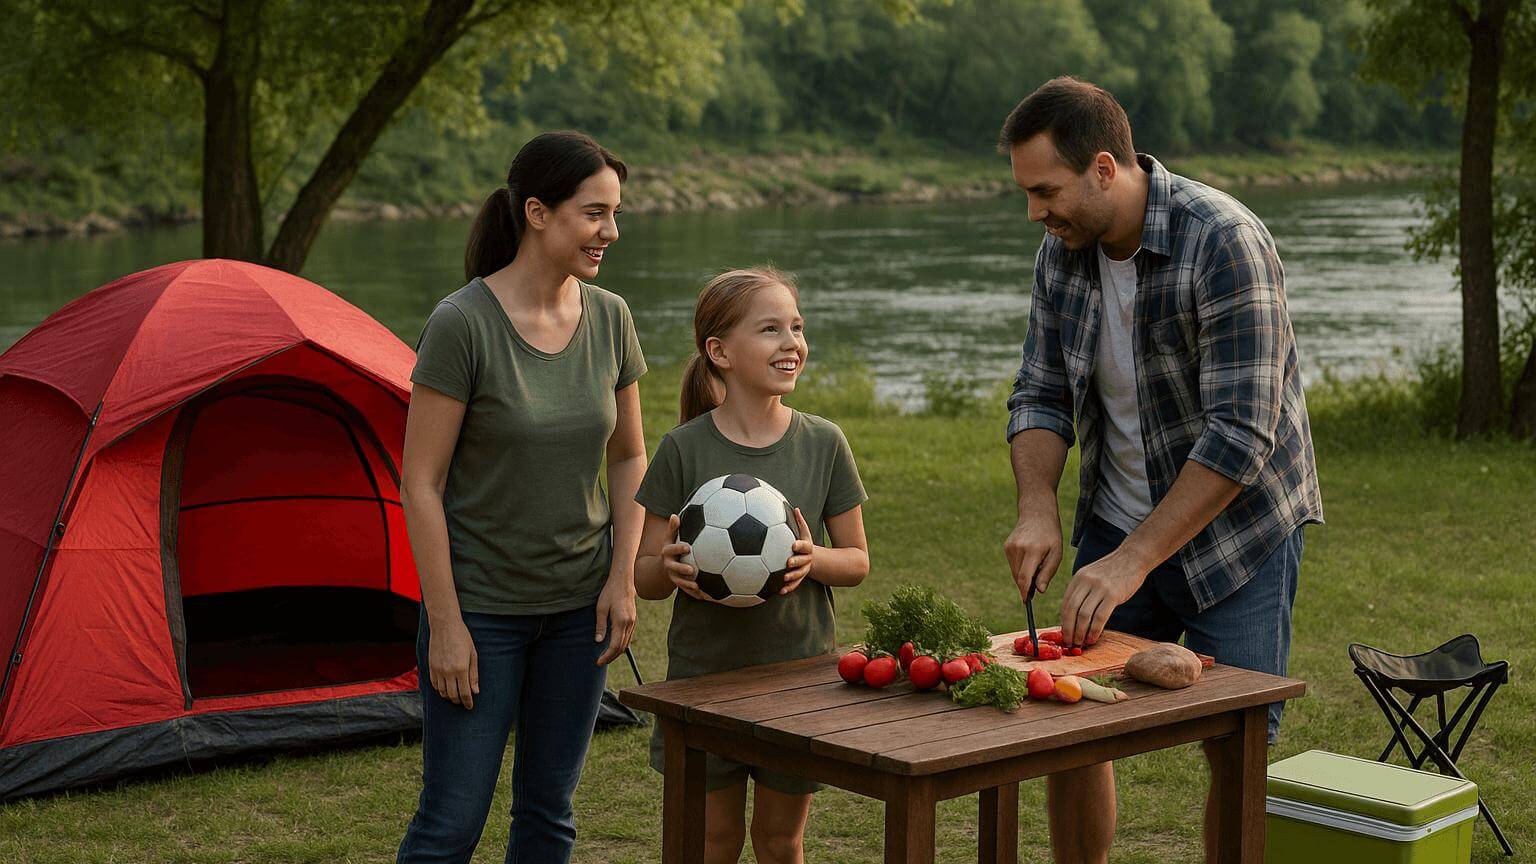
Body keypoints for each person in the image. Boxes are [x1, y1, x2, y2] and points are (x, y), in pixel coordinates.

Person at [998, 78, 1324, 864]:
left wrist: (1132, 562)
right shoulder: (1062, 251)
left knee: (1234, 746)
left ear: (1104, 168)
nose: (1035, 213)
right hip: (1116, 521)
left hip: (1237, 534)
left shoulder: (1224, 240)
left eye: (1046, 191)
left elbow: (1243, 433)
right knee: (1072, 726)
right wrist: (1037, 505)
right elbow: (1040, 390)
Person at [396, 131, 647, 864]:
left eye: (615, 213)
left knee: (548, 816)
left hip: (580, 614)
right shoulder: (461, 324)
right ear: (538, 212)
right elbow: (421, 482)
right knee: (451, 825)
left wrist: (621, 577)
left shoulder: (611, 318)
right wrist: (446, 623)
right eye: (594, 214)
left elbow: (630, 455)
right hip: (482, 616)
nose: (611, 232)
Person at [633, 267, 870, 864]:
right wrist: (669, 567)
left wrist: (812, 558)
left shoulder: (824, 443)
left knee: (779, 841)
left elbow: (857, 562)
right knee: (709, 841)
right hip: (705, 680)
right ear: (720, 352)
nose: (791, 342)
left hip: (799, 679)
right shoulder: (682, 448)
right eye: (770, 329)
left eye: (796, 327)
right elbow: (644, 576)